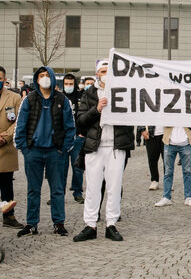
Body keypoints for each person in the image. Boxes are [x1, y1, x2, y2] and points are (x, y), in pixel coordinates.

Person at [72, 61, 132, 242]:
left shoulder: (123, 92)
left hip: (116, 146)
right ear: (97, 74)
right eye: (103, 71)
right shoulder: (89, 94)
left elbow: (132, 115)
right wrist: (96, 109)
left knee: (114, 187)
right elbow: (80, 120)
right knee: (92, 187)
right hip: (94, 147)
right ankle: (90, 224)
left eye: (109, 71)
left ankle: (111, 224)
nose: (106, 74)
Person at [14, 66, 75, 238]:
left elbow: (70, 127)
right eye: (41, 75)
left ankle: (59, 223)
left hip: (55, 152)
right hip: (33, 151)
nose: (45, 78)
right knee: (33, 189)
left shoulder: (62, 100)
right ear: (36, 79)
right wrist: (24, 148)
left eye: (47, 75)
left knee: (57, 189)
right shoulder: (30, 99)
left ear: (54, 78)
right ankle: (31, 224)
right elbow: (21, 125)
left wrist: (64, 148)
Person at [0, 66, 23, 229]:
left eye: (0, 78)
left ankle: (9, 216)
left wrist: (6, 136)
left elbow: (19, 120)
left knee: (7, 183)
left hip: (6, 147)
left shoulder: (14, 98)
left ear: (5, 79)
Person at [154, 127, 191, 208]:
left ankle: (188, 197)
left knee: (187, 171)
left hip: (186, 143)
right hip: (169, 143)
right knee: (168, 172)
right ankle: (166, 197)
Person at [61, 74, 85, 204]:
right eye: (66, 84)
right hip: (63, 138)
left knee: (77, 167)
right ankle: (59, 193)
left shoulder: (81, 97)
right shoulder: (59, 97)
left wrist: (82, 133)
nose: (68, 86)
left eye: (71, 84)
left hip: (77, 137)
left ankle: (77, 192)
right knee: (61, 168)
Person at [139, 125, 164, 191]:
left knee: (167, 159)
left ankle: (168, 181)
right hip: (151, 134)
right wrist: (142, 130)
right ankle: (154, 180)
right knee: (152, 158)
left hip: (165, 133)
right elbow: (140, 117)